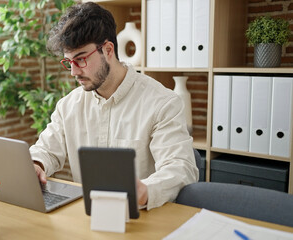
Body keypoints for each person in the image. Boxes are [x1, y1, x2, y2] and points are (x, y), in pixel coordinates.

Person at [30, 2, 198, 210]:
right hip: (88, 218)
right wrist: (37, 164)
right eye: (69, 62)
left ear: (108, 50)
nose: (73, 72)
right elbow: (46, 149)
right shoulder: (68, 106)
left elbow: (181, 168)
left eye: (80, 59)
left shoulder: (163, 103)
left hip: (143, 219)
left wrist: (145, 190)